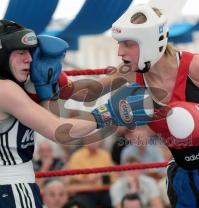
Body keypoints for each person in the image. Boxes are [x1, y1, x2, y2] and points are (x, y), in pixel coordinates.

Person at [80, 4, 199, 208]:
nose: (120, 51)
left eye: (128, 43)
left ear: (148, 41)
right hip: (184, 175)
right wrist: (55, 81)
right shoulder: (129, 72)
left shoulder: (198, 66)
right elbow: (88, 92)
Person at [0, 19, 152, 208]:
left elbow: (83, 95)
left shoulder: (18, 86)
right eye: (21, 52)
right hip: (9, 188)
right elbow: (59, 130)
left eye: (29, 52)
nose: (29, 59)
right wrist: (108, 113)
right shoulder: (4, 89)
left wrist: (125, 72)